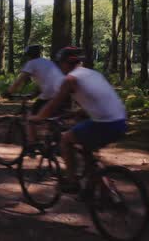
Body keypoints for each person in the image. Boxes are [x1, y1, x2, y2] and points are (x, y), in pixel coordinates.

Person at [30, 47, 127, 193]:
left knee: (65, 140)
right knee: (86, 150)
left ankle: (72, 182)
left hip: (104, 125)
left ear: (65, 63)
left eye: (60, 63)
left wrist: (38, 117)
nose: (59, 67)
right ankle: (102, 187)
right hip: (121, 122)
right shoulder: (93, 74)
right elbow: (98, 99)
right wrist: (76, 113)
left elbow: (53, 104)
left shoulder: (70, 79)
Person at [7, 45, 65, 144]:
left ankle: (32, 144)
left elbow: (19, 81)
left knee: (32, 118)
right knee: (53, 118)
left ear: (28, 55)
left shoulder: (31, 63)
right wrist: (34, 94)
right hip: (64, 90)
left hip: (50, 93)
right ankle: (56, 141)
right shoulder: (47, 62)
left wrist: (8, 92)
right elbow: (47, 80)